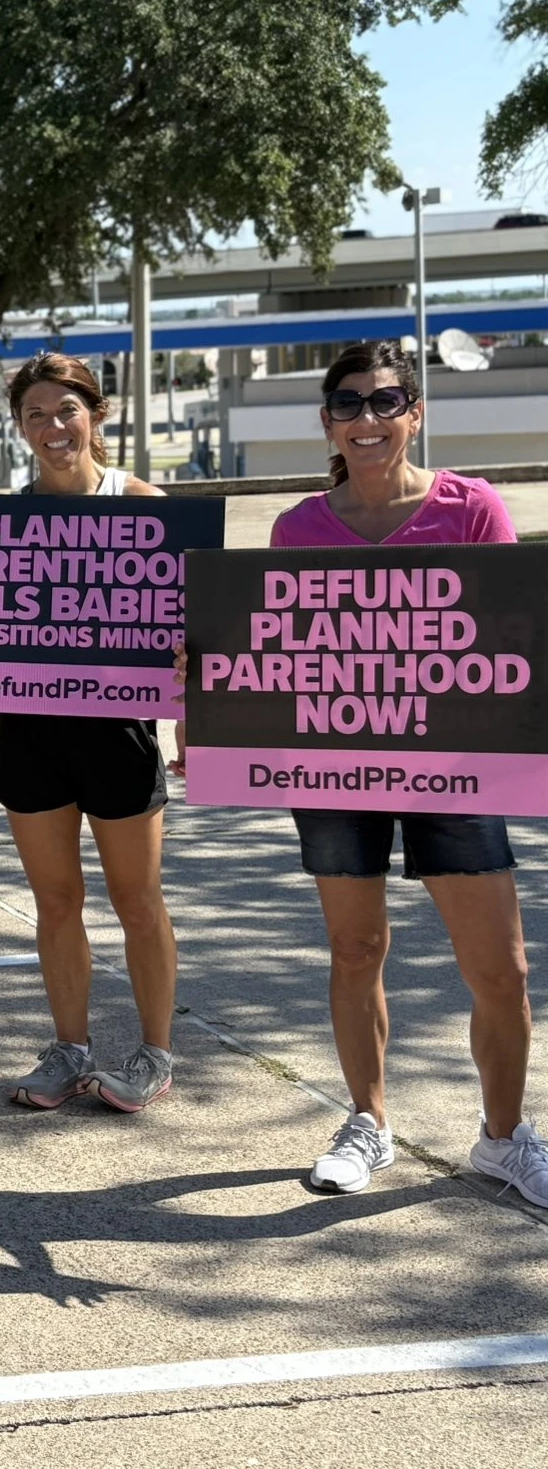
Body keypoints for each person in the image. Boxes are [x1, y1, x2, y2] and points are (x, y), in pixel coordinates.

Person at [229, 341, 538, 1204]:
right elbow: (272, 659)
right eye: (349, 403)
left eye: (386, 401)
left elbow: (515, 636)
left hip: (457, 766)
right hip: (336, 767)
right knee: (356, 947)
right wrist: (209, 689)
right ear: (325, 420)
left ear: (416, 413)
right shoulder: (297, 529)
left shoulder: (472, 509)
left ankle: (506, 1140)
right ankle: (368, 1122)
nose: (368, 418)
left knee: (501, 971)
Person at [0, 354, 178, 1112]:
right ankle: (69, 1048)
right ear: (19, 425)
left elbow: (189, 636)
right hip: (30, 732)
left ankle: (155, 1054)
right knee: (55, 901)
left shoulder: (141, 503)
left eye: (66, 411)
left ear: (96, 415)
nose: (53, 428)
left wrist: (194, 729)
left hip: (120, 733)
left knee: (139, 901)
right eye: (35, 414)